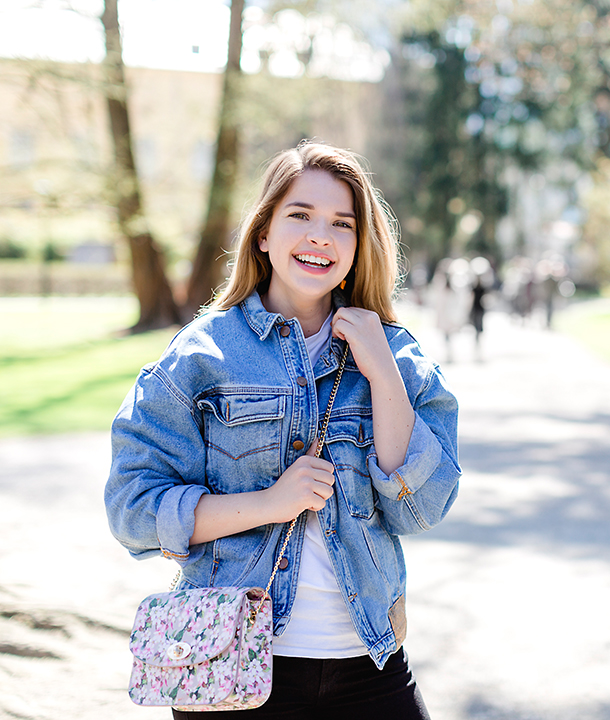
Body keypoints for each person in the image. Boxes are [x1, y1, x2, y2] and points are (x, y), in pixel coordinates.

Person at [105, 141, 461, 720]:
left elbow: (422, 508)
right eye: (300, 215)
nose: (321, 235)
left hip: (370, 665)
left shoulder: (398, 356)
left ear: (357, 245)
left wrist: (382, 371)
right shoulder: (202, 356)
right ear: (264, 234)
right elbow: (133, 509)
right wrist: (269, 503)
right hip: (228, 663)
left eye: (341, 224)